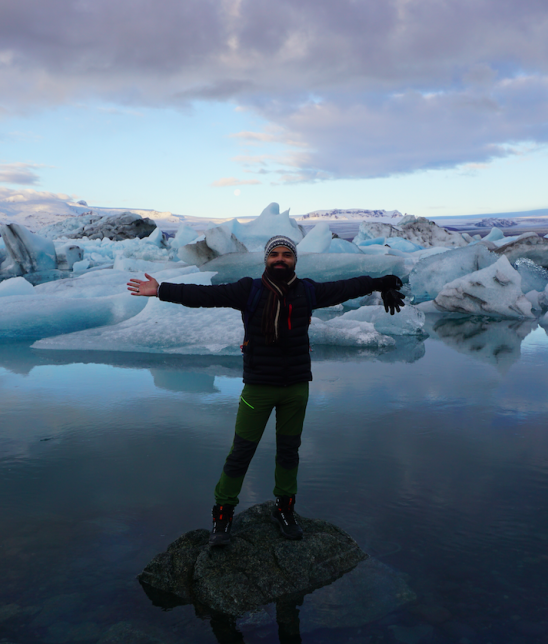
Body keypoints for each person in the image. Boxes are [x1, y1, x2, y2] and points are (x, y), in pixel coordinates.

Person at [128, 234, 404, 547]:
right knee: (241, 452)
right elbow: (204, 295)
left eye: (287, 254)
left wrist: (381, 282)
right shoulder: (249, 290)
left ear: (295, 260)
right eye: (275, 254)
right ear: (266, 259)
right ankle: (223, 514)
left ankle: (285, 509)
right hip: (258, 387)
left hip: (296, 387)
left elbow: (346, 286)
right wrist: (162, 289)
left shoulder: (308, 291)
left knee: (289, 452)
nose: (281, 259)